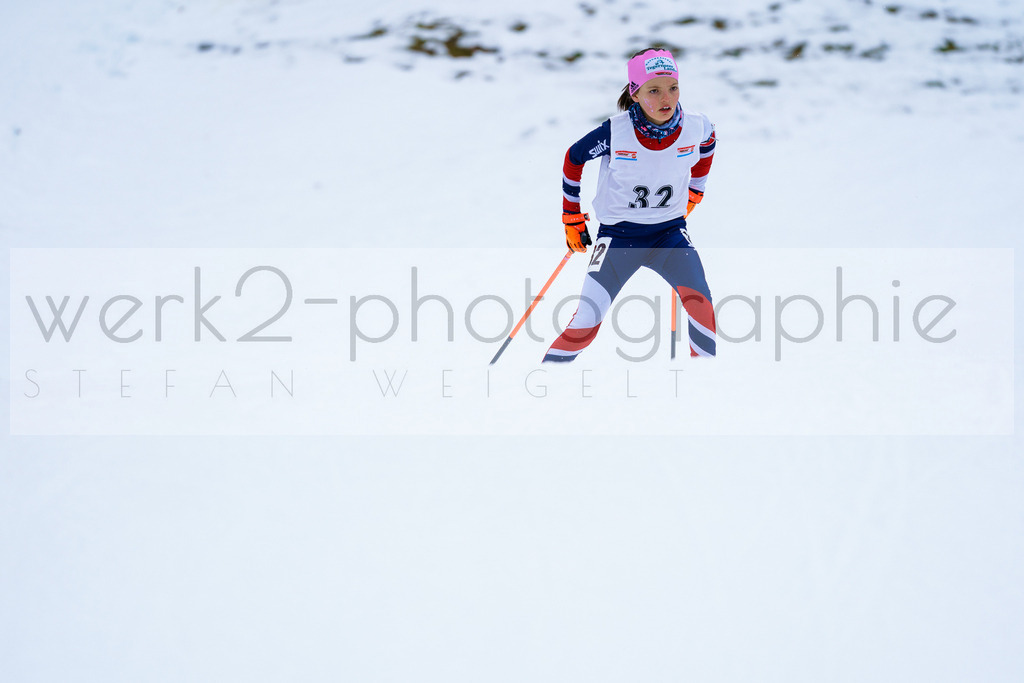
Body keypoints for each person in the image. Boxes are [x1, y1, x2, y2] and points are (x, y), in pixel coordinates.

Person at [543, 47, 717, 362]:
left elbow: (708, 143)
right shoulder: (615, 131)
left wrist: (696, 190)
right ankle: (546, 380)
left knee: (701, 306)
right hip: (619, 237)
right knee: (586, 321)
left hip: (670, 234)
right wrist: (571, 217)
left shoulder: (696, 124)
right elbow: (573, 158)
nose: (667, 98)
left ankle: (703, 386)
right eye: (654, 90)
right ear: (635, 93)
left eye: (673, 88)